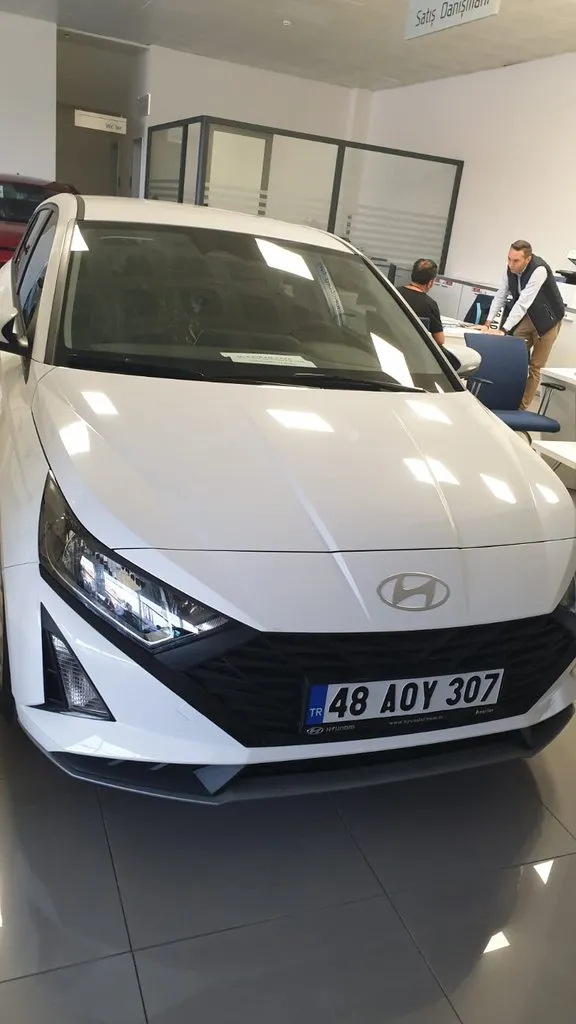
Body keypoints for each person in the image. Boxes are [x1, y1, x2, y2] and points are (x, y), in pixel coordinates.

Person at [483, 240, 565, 409]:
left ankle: (521, 407)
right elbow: (501, 295)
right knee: (511, 356)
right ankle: (502, 398)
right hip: (527, 317)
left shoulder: (539, 270)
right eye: (509, 259)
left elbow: (523, 302)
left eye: (516, 261)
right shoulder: (509, 269)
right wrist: (488, 323)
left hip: (548, 321)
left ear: (527, 259)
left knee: (535, 366)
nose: (511, 264)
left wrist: (504, 329)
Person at [398, 259, 445, 349]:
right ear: (430, 283)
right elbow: (439, 340)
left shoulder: (392, 292)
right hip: (415, 351)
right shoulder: (430, 304)